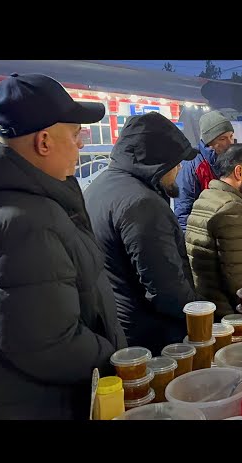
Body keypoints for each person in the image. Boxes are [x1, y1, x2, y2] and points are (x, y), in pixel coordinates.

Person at [0, 73, 126, 419]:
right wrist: (113, 356)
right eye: (76, 134)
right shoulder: (26, 221)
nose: (81, 145)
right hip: (44, 402)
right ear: (44, 141)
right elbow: (47, 344)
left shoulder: (29, 200)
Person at [84, 112, 198, 353]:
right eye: (174, 161)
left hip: (115, 325)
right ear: (156, 161)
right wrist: (199, 317)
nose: (178, 168)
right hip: (151, 337)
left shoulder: (100, 186)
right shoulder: (142, 204)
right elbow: (166, 289)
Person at [186, 143, 242, 318]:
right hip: (231, 318)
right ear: (239, 172)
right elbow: (241, 281)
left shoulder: (207, 196)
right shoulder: (233, 209)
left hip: (209, 310)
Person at [174, 110, 234, 232]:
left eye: (231, 136)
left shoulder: (231, 160)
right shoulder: (192, 164)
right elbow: (183, 211)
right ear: (209, 140)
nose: (230, 143)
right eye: (223, 138)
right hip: (202, 236)